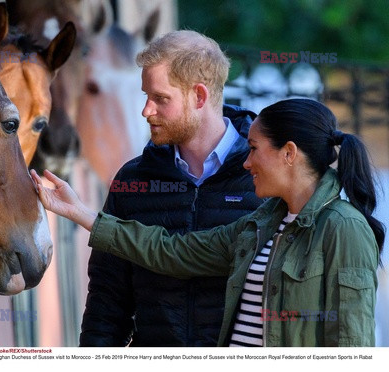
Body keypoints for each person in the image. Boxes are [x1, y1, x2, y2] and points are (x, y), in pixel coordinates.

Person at [31, 98, 385, 347]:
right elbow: (172, 251)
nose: (246, 163)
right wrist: (81, 213)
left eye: (254, 149)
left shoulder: (344, 228)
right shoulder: (260, 223)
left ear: (288, 153)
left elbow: (352, 344)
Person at [82, 30, 263, 346]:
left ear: (199, 97)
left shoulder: (265, 178)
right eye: (146, 96)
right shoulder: (132, 181)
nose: (146, 111)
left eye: (160, 99)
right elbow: (106, 304)